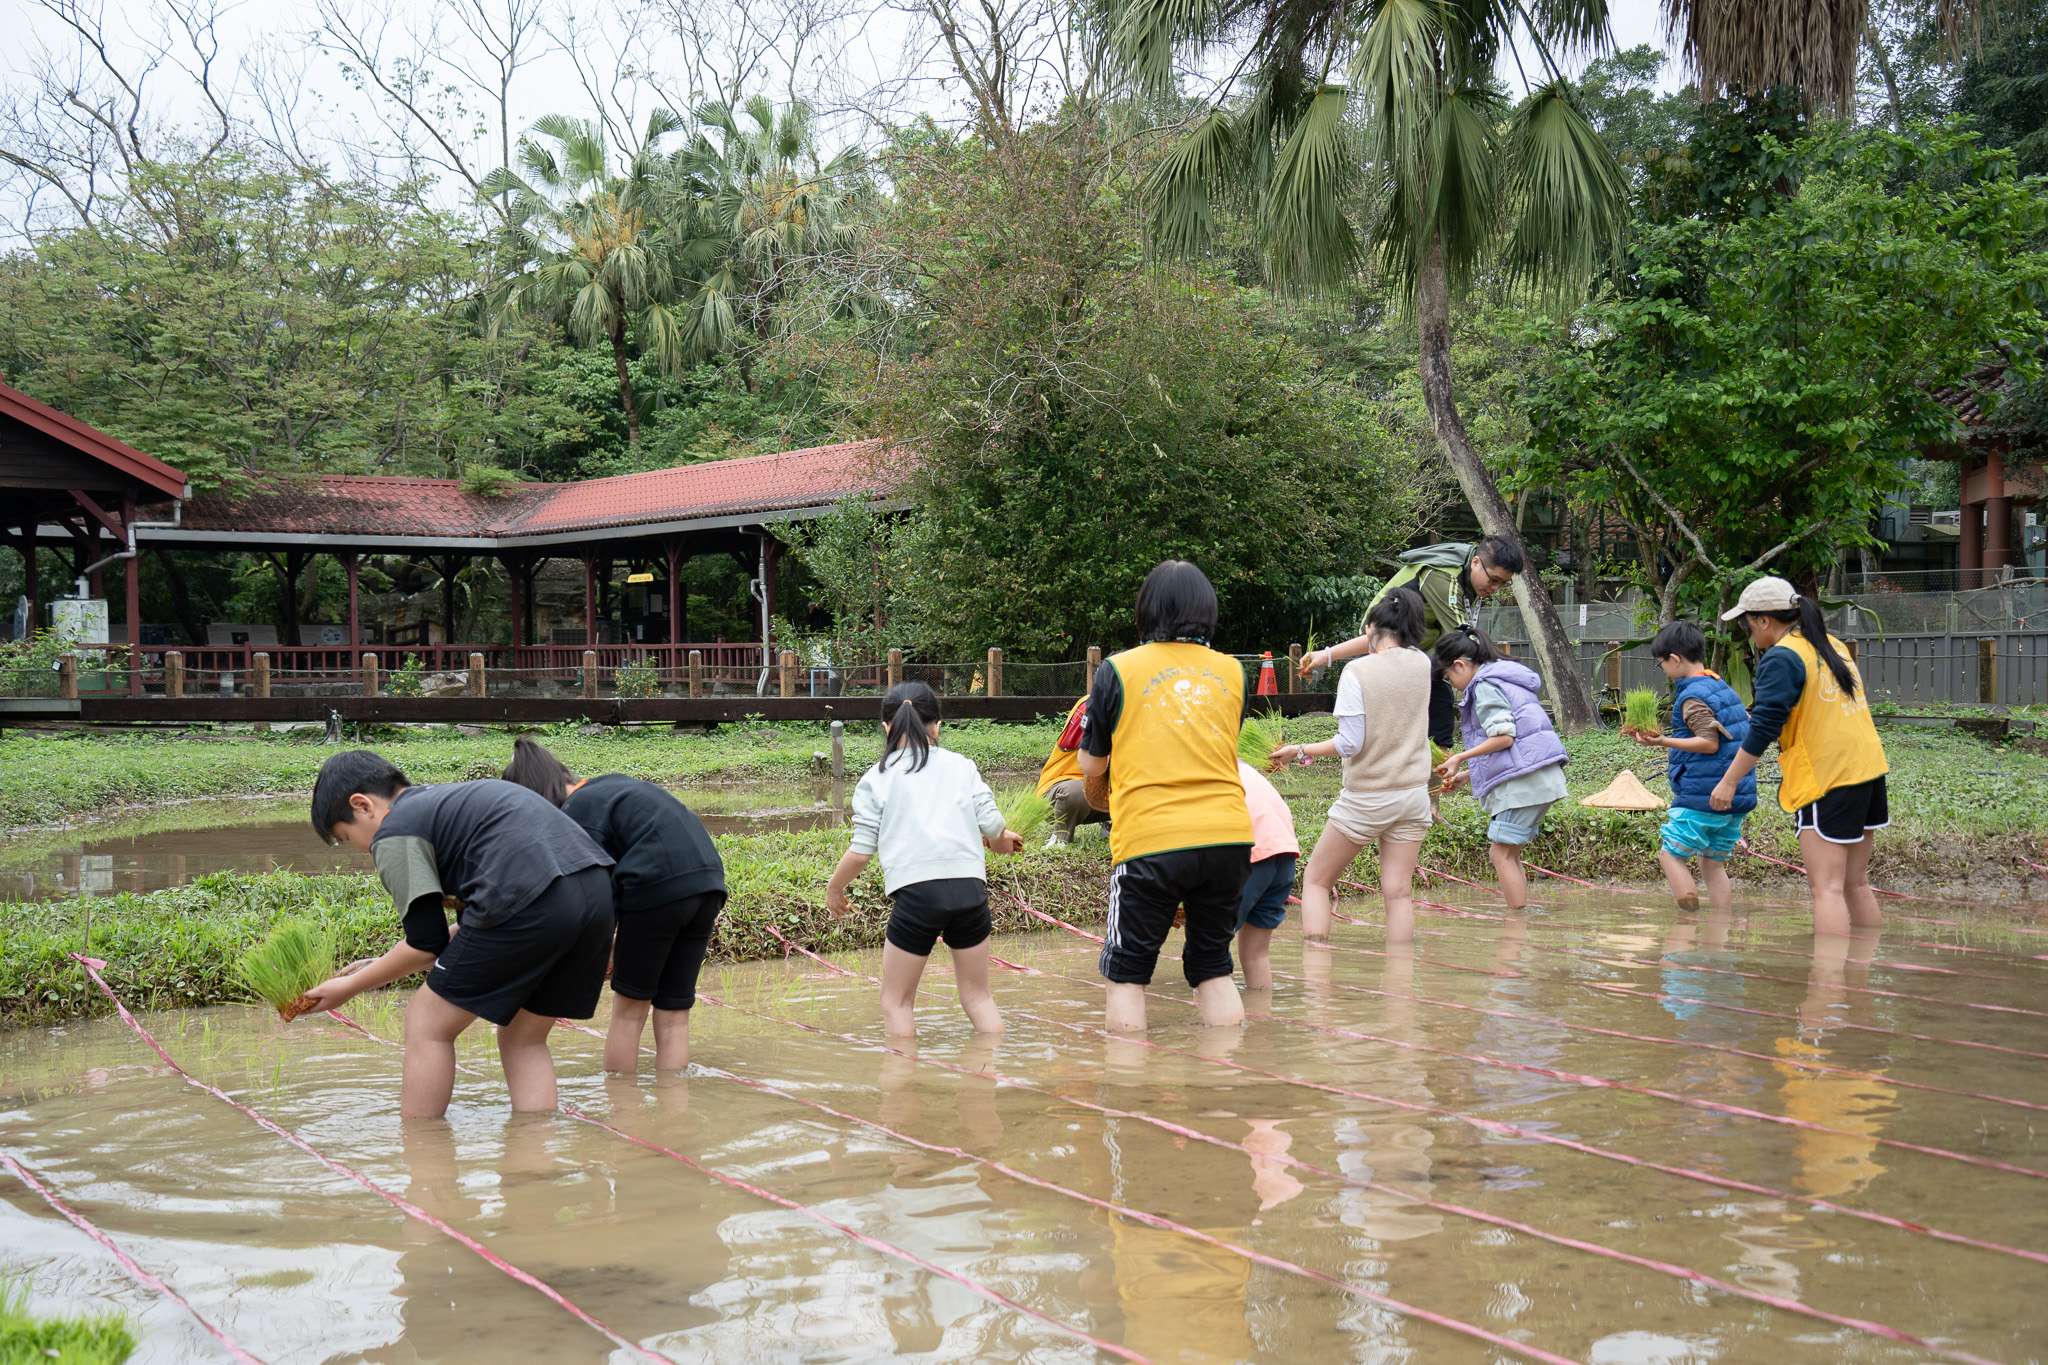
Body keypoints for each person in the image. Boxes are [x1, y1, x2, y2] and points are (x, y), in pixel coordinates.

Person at [300, 751, 615, 1119]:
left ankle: (422, 1152)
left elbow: (424, 946)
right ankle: (535, 1157)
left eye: (346, 836)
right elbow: (473, 927)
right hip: (596, 896)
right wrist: (381, 964)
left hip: (530, 902)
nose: (360, 849)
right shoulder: (450, 806)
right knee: (521, 1037)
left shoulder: (395, 830)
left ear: (362, 805)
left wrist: (347, 988)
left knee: (426, 1022)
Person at [1077, 559, 1252, 1031]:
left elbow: (1090, 766)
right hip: (1229, 837)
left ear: (1147, 610)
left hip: (1151, 840)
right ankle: (1228, 1085)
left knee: (1127, 972)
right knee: (1212, 965)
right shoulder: (1233, 672)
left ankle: (1130, 1092)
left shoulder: (1117, 670)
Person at [501, 737, 726, 1073]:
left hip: (657, 887)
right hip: (708, 883)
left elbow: (590, 890)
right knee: (674, 1012)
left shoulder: (577, 812)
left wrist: (603, 947)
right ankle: (675, 1108)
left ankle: (622, 1109)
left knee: (629, 1009)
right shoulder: (609, 788)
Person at [826, 681, 1025, 1037]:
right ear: (937, 725)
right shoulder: (962, 766)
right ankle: (992, 1078)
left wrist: (834, 889)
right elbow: (993, 825)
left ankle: (902, 1087)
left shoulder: (877, 778)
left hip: (917, 897)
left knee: (896, 1002)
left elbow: (860, 852)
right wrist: (1001, 841)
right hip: (969, 893)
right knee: (979, 998)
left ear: (887, 727)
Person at [1710, 576, 1889, 938]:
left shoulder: (1782, 657)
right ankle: (1861, 981)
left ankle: (1826, 989)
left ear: (1763, 620)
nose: (1748, 632)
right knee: (1855, 884)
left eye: (1747, 623)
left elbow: (1764, 728)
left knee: (1827, 889)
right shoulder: (1830, 644)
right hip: (1868, 770)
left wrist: (1729, 781)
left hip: (1828, 777)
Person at [1274, 588, 1433, 944]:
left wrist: (1298, 749)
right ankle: (1401, 987)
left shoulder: (1357, 673)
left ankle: (1318, 984)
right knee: (1398, 894)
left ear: (1371, 627)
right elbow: (1379, 645)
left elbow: (1349, 743)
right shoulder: (1421, 662)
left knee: (1316, 881)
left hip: (1368, 798)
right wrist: (1328, 655)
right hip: (1412, 797)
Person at [1300, 535, 1526, 749]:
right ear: (1476, 562)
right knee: (1421, 708)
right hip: (1402, 648)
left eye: (1502, 584)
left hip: (1420, 649)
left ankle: (1437, 766)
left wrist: (1326, 655)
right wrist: (1500, 675)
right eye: (1494, 580)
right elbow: (1461, 638)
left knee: (1438, 704)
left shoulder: (1468, 578)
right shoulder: (1442, 577)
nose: (1495, 589)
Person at [1432, 626, 1568, 911]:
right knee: (1509, 853)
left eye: (1448, 677)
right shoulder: (1505, 678)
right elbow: (1514, 749)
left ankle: (1517, 924)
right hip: (1538, 776)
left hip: (1526, 783)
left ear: (1459, 665)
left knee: (1500, 854)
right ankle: (1523, 914)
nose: (1453, 684)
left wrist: (1460, 758)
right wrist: (1468, 776)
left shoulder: (1484, 686)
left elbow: (1504, 737)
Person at [1630, 620, 1756, 912]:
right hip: (1737, 795)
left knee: (1670, 855)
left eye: (1661, 662)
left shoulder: (1692, 696)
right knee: (1712, 863)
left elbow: (1708, 743)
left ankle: (1687, 927)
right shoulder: (1718, 684)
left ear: (1674, 659)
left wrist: (1662, 741)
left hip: (1705, 795)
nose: (1662, 669)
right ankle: (1718, 932)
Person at [1233, 757, 1299, 991]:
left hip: (1249, 858)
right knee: (1256, 955)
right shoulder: (1246, 769)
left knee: (1207, 951)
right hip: (1284, 855)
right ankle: (1262, 1017)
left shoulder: (1209, 772)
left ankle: (1210, 1023)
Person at [1036, 696, 1109, 846]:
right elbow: (1090, 762)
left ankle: (1115, 827)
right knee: (1074, 792)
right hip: (1062, 786)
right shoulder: (1091, 705)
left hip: (1108, 787)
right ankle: (1060, 838)